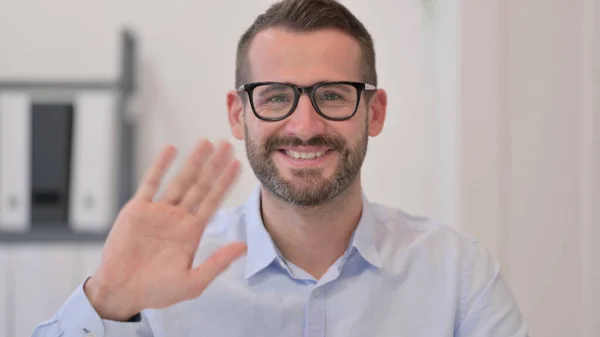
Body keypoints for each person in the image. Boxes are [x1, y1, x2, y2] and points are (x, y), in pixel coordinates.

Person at [32, 0, 528, 336]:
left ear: (373, 113)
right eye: (276, 97)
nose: (305, 125)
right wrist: (105, 303)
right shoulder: (163, 279)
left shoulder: (458, 274)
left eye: (332, 95)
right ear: (237, 113)